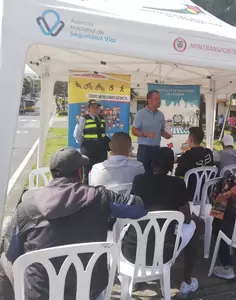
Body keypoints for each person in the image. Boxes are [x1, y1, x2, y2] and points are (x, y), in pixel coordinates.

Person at [0, 147, 147, 300]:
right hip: (89, 289)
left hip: (41, 293)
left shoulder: (27, 207)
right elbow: (138, 208)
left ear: (53, 174)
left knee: (4, 259)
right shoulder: (100, 198)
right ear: (80, 172)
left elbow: (12, 252)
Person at [126, 147, 199, 296]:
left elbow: (132, 207)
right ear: (172, 165)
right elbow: (186, 219)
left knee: (143, 227)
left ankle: (137, 280)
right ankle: (187, 280)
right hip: (164, 252)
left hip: (131, 251)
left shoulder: (138, 180)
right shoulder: (177, 183)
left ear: (152, 164)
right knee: (196, 227)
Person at [131, 90, 172, 173]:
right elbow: (134, 131)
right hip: (144, 149)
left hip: (157, 148)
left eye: (159, 99)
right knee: (143, 173)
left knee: (156, 173)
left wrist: (166, 135)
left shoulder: (161, 115)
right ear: (149, 100)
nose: (159, 101)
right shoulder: (140, 113)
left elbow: (161, 130)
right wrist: (144, 134)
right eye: (156, 99)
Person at [74, 99, 109, 184]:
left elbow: (106, 132)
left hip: (101, 149)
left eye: (97, 107)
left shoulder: (102, 118)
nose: (96, 109)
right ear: (88, 108)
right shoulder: (83, 118)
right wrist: (84, 143)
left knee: (102, 171)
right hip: (88, 148)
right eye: (93, 107)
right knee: (88, 171)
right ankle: (87, 192)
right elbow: (77, 134)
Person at [175, 127, 214, 200]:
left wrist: (185, 147)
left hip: (190, 193)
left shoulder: (186, 156)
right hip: (207, 192)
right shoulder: (209, 152)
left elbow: (178, 173)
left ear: (190, 138)